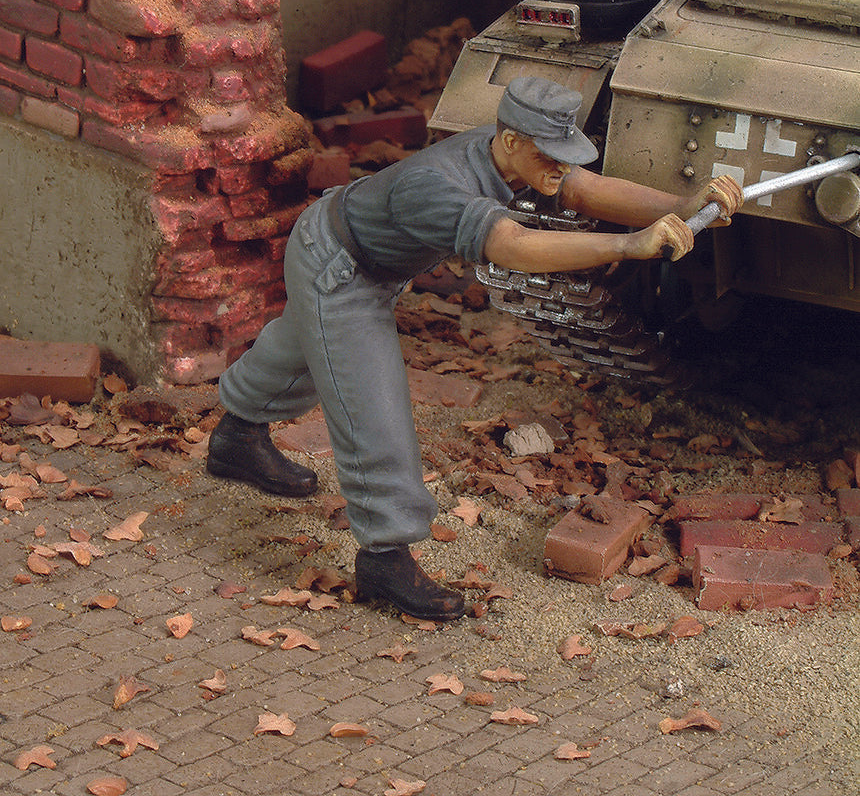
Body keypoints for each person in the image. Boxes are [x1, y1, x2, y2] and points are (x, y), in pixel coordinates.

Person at [207, 76, 742, 621]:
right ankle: (385, 556)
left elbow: (581, 189)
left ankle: (236, 435)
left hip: (342, 248)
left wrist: (679, 204)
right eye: (550, 154)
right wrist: (629, 246)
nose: (559, 167)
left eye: (565, 154)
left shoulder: (507, 150)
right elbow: (512, 246)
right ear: (511, 140)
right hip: (341, 270)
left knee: (300, 346)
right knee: (372, 405)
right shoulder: (435, 185)